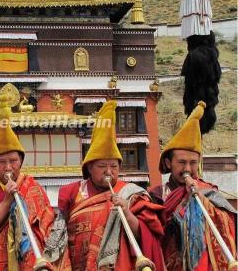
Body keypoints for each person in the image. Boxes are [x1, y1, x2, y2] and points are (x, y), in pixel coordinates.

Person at [0, 93, 70, 271]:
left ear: (21, 161)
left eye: (13, 161)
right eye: (1, 162)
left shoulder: (33, 188)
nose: (8, 167)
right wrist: (7, 201)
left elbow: (47, 229)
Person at [58, 100, 165, 271]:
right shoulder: (71, 192)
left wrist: (128, 213)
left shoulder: (133, 194)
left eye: (114, 166)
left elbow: (148, 235)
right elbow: (59, 233)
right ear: (89, 168)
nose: (109, 172)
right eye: (102, 166)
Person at [150, 101, 237, 270]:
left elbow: (230, 223)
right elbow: (154, 233)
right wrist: (185, 202)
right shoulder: (157, 195)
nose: (187, 169)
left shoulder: (209, 192)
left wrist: (201, 200)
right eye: (181, 162)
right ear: (168, 163)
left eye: (193, 163)